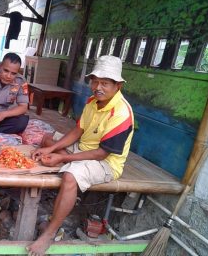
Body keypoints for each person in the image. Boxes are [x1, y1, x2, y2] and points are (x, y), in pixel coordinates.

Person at [26, 55, 134, 256]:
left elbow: (102, 153)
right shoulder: (93, 101)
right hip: (83, 149)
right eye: (95, 81)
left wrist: (63, 158)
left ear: (118, 85)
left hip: (106, 163)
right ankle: (64, 157)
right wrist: (51, 149)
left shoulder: (121, 113)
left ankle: (49, 233)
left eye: (105, 83)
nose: (98, 87)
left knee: (70, 176)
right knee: (47, 139)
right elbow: (78, 131)